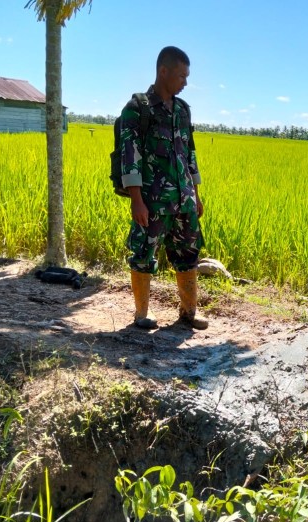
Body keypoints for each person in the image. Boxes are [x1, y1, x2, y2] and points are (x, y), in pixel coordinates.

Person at [119, 45, 207, 330]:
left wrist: (196, 194)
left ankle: (189, 312)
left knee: (188, 253)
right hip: (152, 200)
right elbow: (129, 155)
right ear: (163, 71)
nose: (185, 83)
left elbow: (189, 153)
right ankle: (142, 313)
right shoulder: (138, 108)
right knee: (144, 253)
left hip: (184, 199)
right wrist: (136, 200)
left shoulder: (182, 110)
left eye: (187, 77)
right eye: (181, 76)